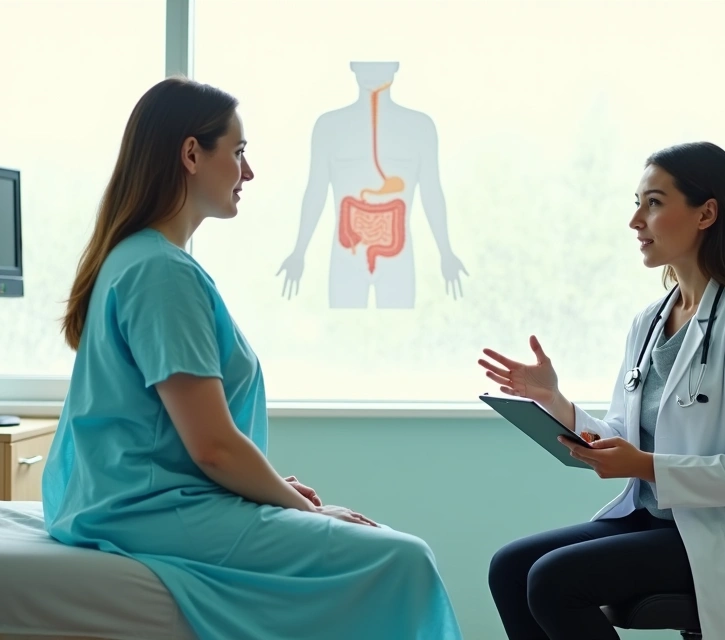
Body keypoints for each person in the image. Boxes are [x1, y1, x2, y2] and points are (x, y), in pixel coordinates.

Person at [42, 76, 462, 640]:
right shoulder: (161, 273)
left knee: (375, 548)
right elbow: (213, 447)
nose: (249, 172)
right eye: (238, 152)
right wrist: (303, 511)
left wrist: (264, 489)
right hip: (145, 513)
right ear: (192, 153)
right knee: (401, 560)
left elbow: (168, 437)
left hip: (124, 501)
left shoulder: (136, 258)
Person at [479, 141, 725, 640]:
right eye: (636, 203)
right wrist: (554, 400)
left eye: (653, 203)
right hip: (654, 520)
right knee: (509, 567)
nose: (636, 221)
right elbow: (622, 434)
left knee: (552, 581)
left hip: (719, 539)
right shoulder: (650, 322)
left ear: (707, 213)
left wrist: (644, 466)